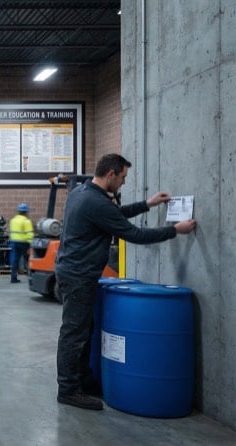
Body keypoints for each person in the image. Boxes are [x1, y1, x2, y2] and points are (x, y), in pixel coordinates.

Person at [54, 153, 196, 411]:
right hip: (78, 276)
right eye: (122, 178)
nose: (122, 183)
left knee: (83, 331)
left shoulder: (82, 193)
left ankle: (82, 382)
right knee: (74, 334)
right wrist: (175, 230)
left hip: (73, 272)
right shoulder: (95, 202)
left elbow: (114, 214)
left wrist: (148, 203)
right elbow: (134, 234)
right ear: (110, 174)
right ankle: (68, 389)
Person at [8, 203, 34, 283]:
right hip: (24, 243)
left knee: (15, 260)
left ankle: (13, 278)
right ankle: (32, 278)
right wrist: (31, 244)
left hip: (14, 242)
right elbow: (29, 234)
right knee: (29, 260)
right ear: (26, 212)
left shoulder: (13, 220)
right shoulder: (26, 221)